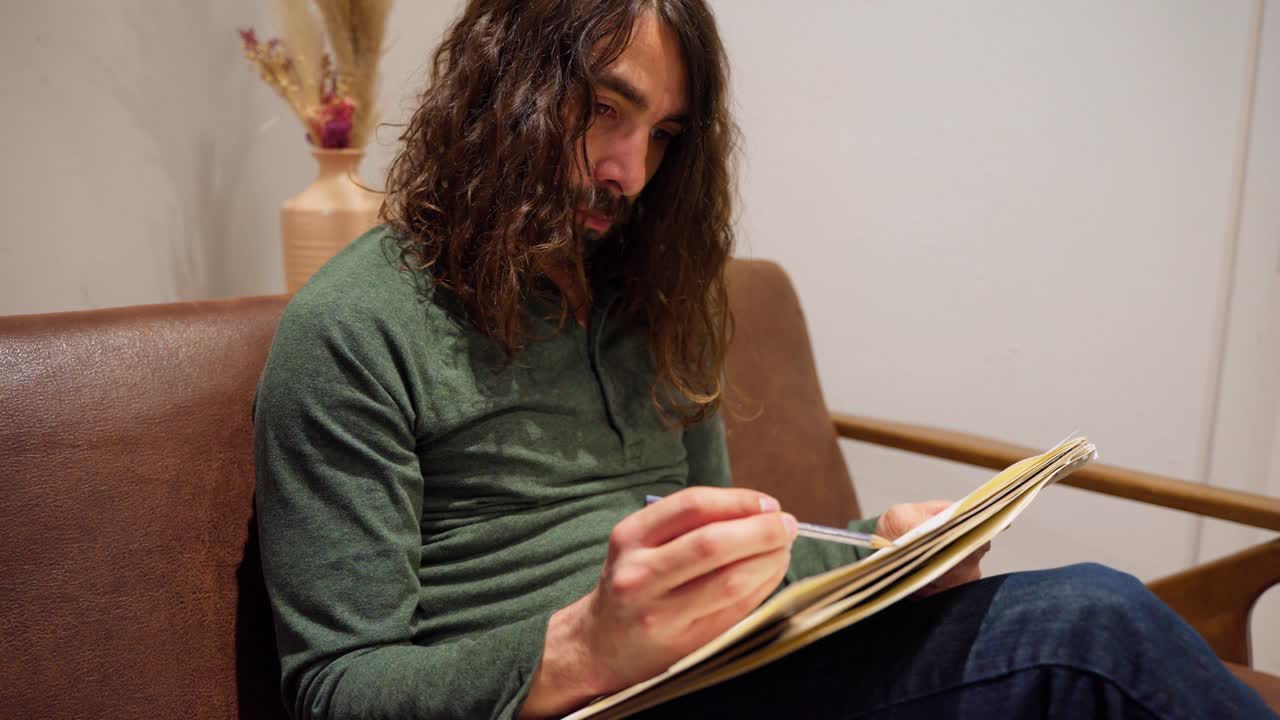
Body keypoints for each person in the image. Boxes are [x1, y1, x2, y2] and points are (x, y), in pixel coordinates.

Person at [252, 1, 1277, 718]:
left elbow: (727, 570)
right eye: (604, 109)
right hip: (592, 702)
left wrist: (878, 561)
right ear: (502, 81)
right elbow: (339, 688)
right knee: (1085, 634)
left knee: (1078, 625)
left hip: (725, 678)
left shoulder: (653, 296)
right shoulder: (351, 330)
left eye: (663, 136)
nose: (627, 172)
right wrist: (579, 648)